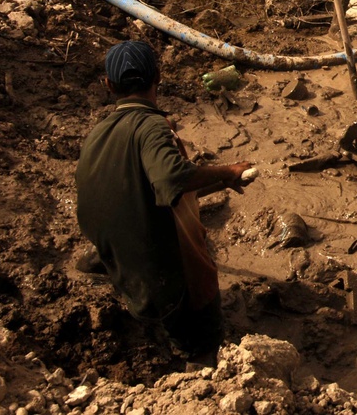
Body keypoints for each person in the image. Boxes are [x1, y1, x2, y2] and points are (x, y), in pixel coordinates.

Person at [75, 41, 253, 361]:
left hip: (117, 256)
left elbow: (140, 190)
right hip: (156, 277)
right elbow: (171, 179)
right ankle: (201, 369)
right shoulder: (152, 125)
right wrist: (229, 168)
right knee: (205, 320)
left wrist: (218, 180)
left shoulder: (97, 134)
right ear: (158, 76)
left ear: (109, 85)